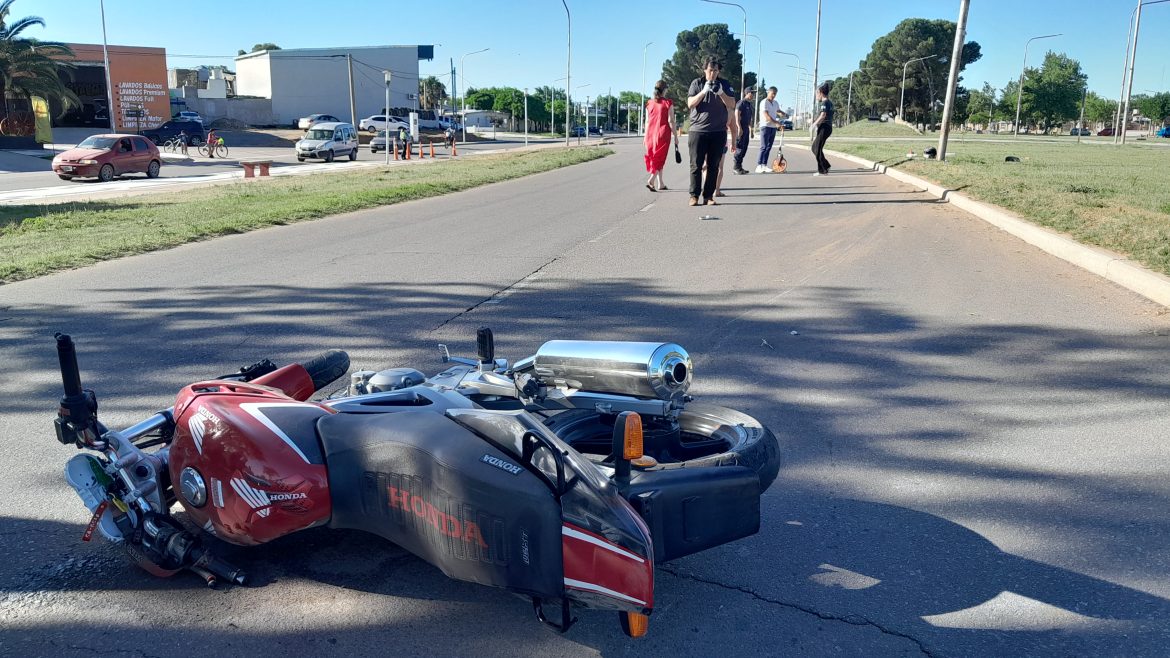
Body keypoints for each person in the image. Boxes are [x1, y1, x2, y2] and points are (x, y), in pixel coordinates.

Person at [685, 57, 735, 206]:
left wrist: (721, 93)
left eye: (716, 70)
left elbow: (732, 104)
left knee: (714, 166)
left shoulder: (724, 84)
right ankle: (694, 196)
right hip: (697, 130)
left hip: (718, 131)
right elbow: (690, 104)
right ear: (705, 70)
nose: (713, 73)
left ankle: (708, 196)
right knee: (696, 165)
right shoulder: (697, 83)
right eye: (710, 70)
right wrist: (703, 91)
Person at [643, 79, 678, 192]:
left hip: (650, 135)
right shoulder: (668, 103)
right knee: (660, 158)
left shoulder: (649, 103)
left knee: (656, 158)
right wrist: (676, 136)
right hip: (662, 134)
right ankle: (651, 180)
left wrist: (644, 136)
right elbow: (671, 120)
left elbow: (647, 122)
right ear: (665, 90)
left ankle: (661, 183)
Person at [755, 86, 786, 173]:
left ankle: (764, 165)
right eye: (772, 93)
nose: (774, 95)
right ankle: (759, 165)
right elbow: (767, 116)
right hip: (765, 126)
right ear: (768, 92)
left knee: (769, 147)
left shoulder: (775, 102)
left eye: (775, 94)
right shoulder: (764, 102)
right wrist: (777, 123)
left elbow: (778, 111)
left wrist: (783, 113)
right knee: (763, 147)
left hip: (773, 128)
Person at [810, 82, 834, 176]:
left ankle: (823, 169)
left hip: (824, 127)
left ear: (820, 93)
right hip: (826, 128)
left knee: (816, 148)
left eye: (816, 94)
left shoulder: (824, 103)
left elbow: (823, 115)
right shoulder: (830, 102)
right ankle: (825, 165)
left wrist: (814, 124)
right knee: (816, 148)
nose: (816, 96)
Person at [731, 87, 754, 175]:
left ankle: (739, 167)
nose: (753, 95)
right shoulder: (741, 103)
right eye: (752, 93)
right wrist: (739, 127)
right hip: (740, 128)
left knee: (744, 148)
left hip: (746, 129)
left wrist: (751, 130)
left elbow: (750, 119)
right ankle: (736, 168)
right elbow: (737, 115)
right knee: (739, 148)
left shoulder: (749, 105)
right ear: (747, 93)